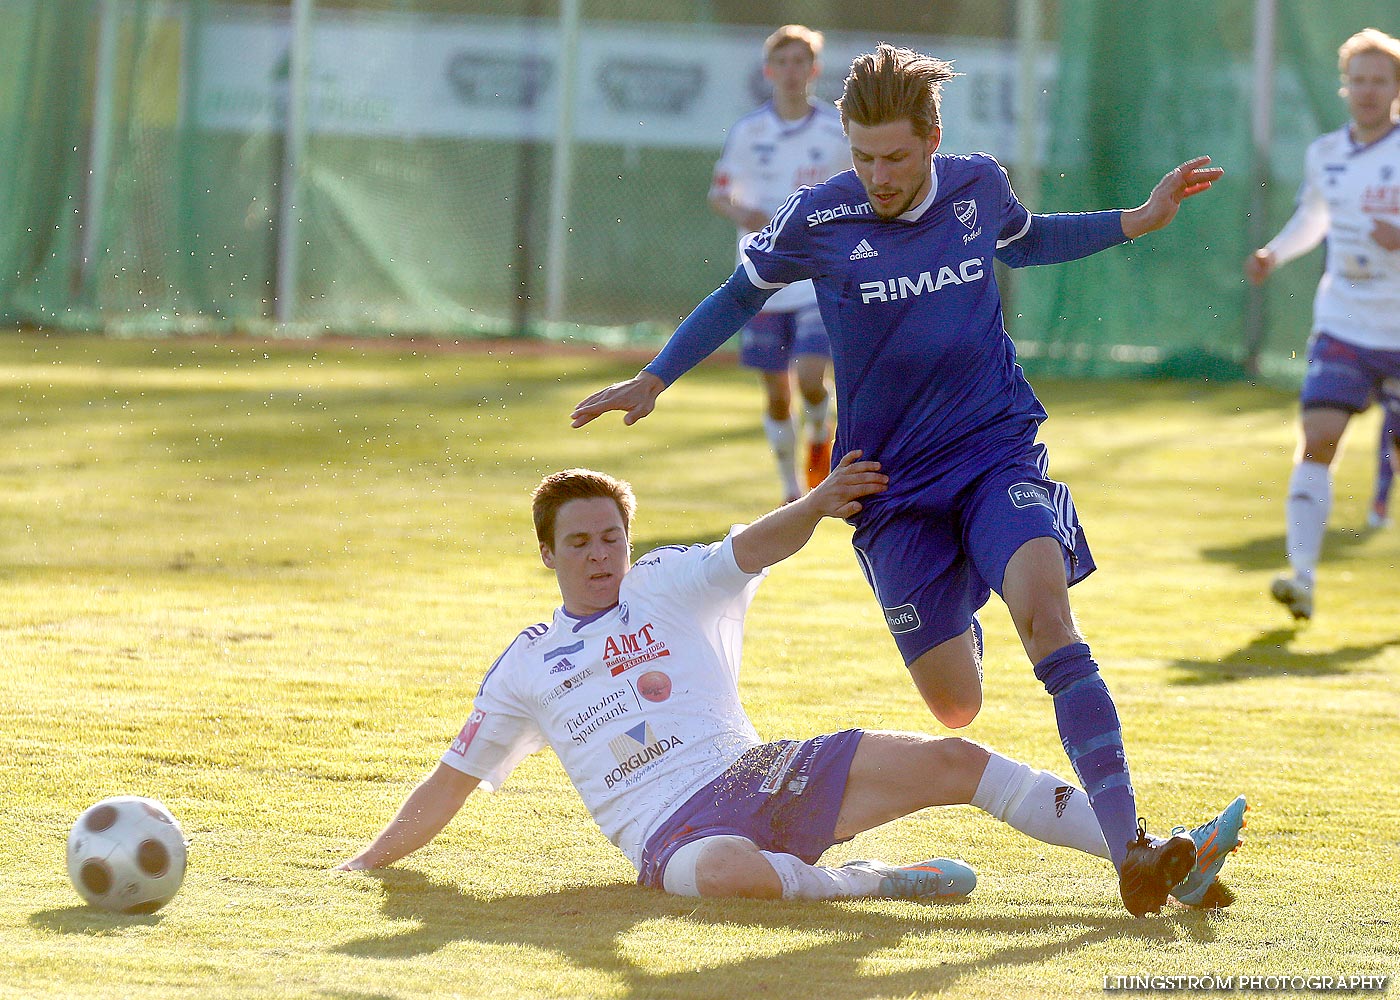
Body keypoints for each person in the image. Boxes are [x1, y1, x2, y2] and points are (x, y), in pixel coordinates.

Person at [570, 44, 1242, 917]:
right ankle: (973, 593)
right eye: (861, 155)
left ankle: (1131, 853)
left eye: (893, 156)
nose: (877, 175)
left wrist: (1139, 220)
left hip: (993, 450)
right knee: (955, 704)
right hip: (888, 488)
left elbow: (1031, 241)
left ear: (932, 140)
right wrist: (655, 377)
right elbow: (738, 295)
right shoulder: (818, 216)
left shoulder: (977, 188)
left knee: (1046, 610)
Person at [339, 458, 1244, 913]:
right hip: (671, 833)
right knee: (725, 874)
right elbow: (450, 779)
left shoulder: (661, 581)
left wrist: (814, 505)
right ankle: (875, 883)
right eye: (579, 542)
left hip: (758, 773)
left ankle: (1152, 855)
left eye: (610, 536)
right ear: (548, 554)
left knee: (958, 759)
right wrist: (367, 863)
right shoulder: (526, 661)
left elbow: (749, 547)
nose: (600, 554)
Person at [1245, 28, 1400, 617]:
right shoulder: (1326, 153)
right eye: (1357, 80)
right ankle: (1302, 578)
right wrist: (1275, 253)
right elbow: (1313, 218)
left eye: (1378, 81)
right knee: (1319, 439)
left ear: (1395, 89)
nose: (1365, 91)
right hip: (1345, 325)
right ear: (1345, 87)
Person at [708, 25, 850, 502]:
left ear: (815, 70)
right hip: (762, 277)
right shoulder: (749, 132)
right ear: (769, 71)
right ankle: (792, 489)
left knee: (811, 376)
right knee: (775, 391)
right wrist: (739, 210)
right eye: (782, 63)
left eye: (800, 63)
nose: (791, 73)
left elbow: (854, 195)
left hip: (815, 277)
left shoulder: (834, 131)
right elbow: (720, 194)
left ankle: (819, 431)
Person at [1369, 405, 1399, 528]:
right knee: (1387, 462)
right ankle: (1378, 511)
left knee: (1387, 463)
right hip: (1394, 414)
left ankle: (1378, 512)